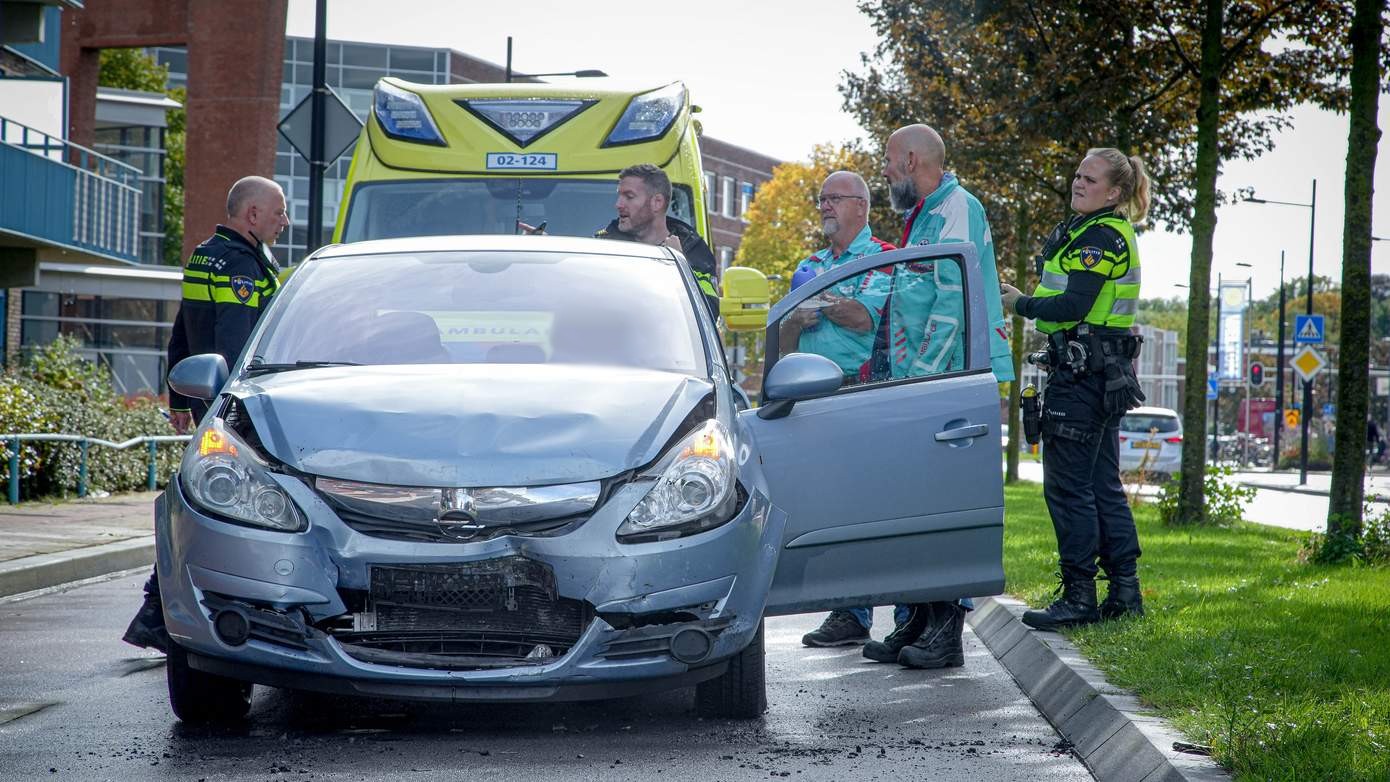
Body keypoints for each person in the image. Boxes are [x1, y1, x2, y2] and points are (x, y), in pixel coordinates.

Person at [846, 124, 1015, 670]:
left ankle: (946, 631)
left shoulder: (957, 209)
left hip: (946, 384)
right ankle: (918, 620)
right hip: (925, 385)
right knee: (914, 503)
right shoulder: (923, 216)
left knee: (945, 505)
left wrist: (920, 387)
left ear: (913, 158)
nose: (886, 171)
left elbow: (950, 307)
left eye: (890, 162)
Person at [123, 175, 290, 653]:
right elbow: (238, 344)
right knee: (232, 509)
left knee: (207, 502)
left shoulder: (204, 254)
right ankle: (166, 610)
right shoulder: (242, 265)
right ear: (252, 215)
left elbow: (181, 328)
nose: (284, 220)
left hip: (206, 399)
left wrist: (178, 398)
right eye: (278, 211)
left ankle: (158, 611)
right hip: (239, 411)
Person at [999, 148, 1150, 631]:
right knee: (1101, 485)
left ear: (1115, 192)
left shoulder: (1101, 236)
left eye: (1090, 178)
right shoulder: (1091, 230)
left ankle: (1080, 596)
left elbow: (1072, 304)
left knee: (1067, 488)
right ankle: (1124, 593)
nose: (1078, 183)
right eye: (1077, 175)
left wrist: (1020, 303)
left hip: (1083, 376)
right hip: (1099, 372)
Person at [789, 171, 897, 648]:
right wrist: (794, 317)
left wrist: (823, 301)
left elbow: (862, 319)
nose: (825, 207)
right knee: (832, 510)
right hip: (813, 398)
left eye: (835, 199)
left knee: (870, 509)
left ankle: (892, 610)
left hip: (865, 394)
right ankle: (848, 613)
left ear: (861, 206)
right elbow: (783, 336)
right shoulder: (807, 264)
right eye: (822, 199)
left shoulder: (885, 259)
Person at [521, 164, 720, 318]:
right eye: (619, 196)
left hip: (670, 363)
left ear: (657, 202)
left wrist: (680, 266)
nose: (618, 205)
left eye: (629, 197)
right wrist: (547, 251)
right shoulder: (604, 246)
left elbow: (708, 314)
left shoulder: (694, 253)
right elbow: (575, 293)